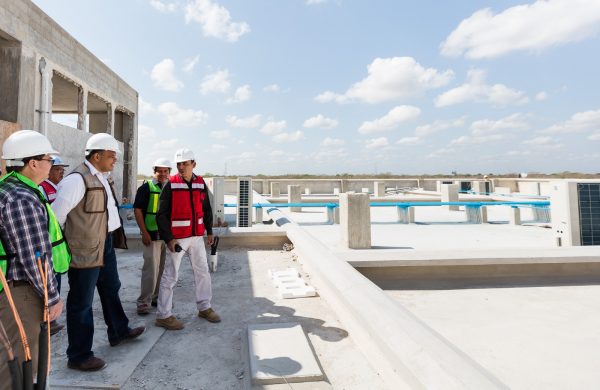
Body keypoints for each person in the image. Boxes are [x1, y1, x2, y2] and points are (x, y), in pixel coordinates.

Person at [52, 133, 144, 372]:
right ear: (97, 155)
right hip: (85, 250)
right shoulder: (76, 180)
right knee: (81, 302)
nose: (115, 160)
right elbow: (56, 217)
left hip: (106, 245)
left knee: (111, 289)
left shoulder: (103, 177)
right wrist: (66, 246)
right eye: (112, 156)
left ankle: (118, 331)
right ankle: (79, 355)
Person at [0, 130, 69, 389]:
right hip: (21, 291)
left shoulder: (11, 188)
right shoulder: (22, 198)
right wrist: (52, 297)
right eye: (49, 159)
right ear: (33, 163)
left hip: (15, 289)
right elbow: (33, 256)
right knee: (19, 365)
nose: (52, 165)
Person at [155, 148, 220, 330]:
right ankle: (163, 315)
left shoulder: (200, 183)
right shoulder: (171, 184)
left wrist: (209, 231)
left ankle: (204, 307)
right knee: (170, 276)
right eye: (179, 164)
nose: (181, 167)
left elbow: (206, 209)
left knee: (203, 272)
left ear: (194, 164)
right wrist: (169, 239)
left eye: (185, 163)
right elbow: (161, 215)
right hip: (178, 239)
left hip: (197, 237)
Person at [134, 158, 171, 315]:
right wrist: (144, 232)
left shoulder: (171, 187)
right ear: (154, 172)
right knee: (151, 270)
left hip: (166, 236)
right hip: (152, 235)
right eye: (159, 171)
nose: (162, 174)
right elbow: (138, 210)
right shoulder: (146, 188)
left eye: (165, 171)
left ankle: (156, 298)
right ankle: (144, 301)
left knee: (163, 270)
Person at [39, 155, 70, 335]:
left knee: (56, 279)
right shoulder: (43, 189)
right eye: (58, 170)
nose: (61, 173)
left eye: (62, 170)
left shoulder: (59, 188)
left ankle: (51, 319)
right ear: (48, 171)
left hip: (58, 241)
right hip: (49, 242)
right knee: (51, 281)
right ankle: (48, 320)